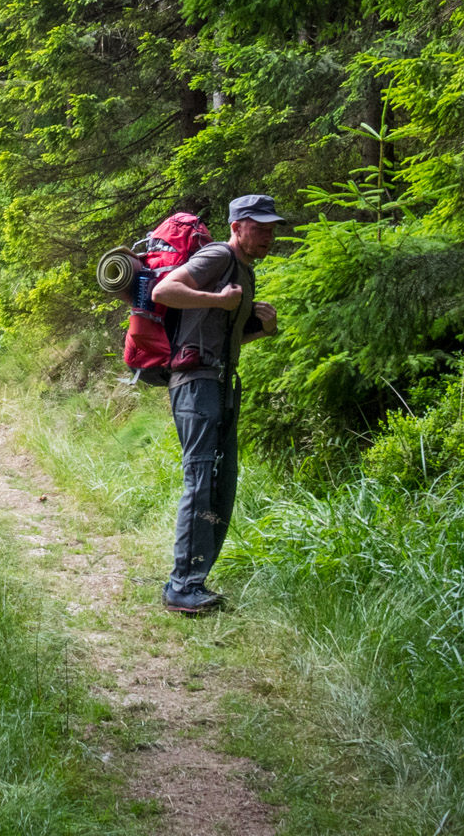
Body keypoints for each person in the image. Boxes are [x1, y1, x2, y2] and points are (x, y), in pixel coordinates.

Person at [148, 194, 284, 614]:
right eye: (259, 227)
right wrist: (219, 301)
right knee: (201, 479)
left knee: (219, 485)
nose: (267, 235)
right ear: (236, 225)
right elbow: (164, 290)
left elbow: (227, 339)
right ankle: (180, 585)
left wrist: (266, 330)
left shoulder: (245, 269)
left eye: (271, 228)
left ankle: (194, 580)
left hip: (221, 384)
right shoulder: (217, 255)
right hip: (196, 383)